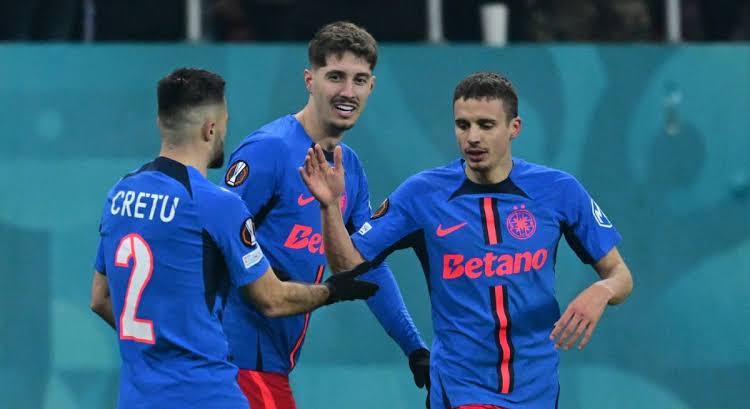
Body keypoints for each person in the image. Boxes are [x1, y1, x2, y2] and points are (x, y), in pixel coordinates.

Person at [300, 71, 634, 409]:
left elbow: (620, 276)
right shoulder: (422, 194)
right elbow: (347, 265)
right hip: (463, 389)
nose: (472, 137)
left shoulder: (559, 190)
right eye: (463, 125)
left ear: (514, 127)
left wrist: (602, 290)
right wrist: (330, 207)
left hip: (538, 389)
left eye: (486, 125)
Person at [88, 67, 379, 409]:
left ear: (161, 123)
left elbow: (100, 299)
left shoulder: (120, 195)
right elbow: (272, 299)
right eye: (225, 121)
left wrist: (160, 345)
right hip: (207, 395)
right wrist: (332, 291)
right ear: (210, 128)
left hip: (138, 398)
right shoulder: (217, 204)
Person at [221, 21, 430, 409]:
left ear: (372, 86)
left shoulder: (350, 168)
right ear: (309, 80)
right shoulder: (269, 150)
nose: (348, 92)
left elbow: (364, 266)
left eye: (359, 80)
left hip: (271, 363)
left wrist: (415, 348)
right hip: (234, 363)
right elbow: (210, 243)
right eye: (335, 77)